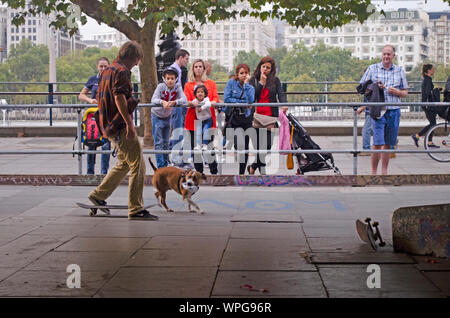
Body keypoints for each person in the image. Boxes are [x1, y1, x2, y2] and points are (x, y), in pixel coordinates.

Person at [88, 41, 158, 221]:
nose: (137, 64)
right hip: (119, 124)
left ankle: (98, 195)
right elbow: (119, 97)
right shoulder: (121, 71)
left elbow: (101, 98)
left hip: (107, 125)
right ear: (133, 57)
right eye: (137, 60)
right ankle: (136, 208)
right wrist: (129, 124)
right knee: (138, 165)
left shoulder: (106, 71)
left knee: (124, 163)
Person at [359, 45, 408, 175]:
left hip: (394, 110)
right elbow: (362, 88)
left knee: (388, 144)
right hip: (378, 111)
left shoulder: (399, 71)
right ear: (382, 55)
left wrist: (397, 92)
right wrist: (375, 86)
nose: (386, 56)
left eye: (389, 54)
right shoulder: (372, 68)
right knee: (377, 143)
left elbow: (405, 93)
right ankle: (374, 172)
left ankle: (384, 172)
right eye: (384, 54)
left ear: (393, 56)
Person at [247, 56, 287, 175]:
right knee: (259, 147)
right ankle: (262, 172)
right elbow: (253, 96)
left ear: (271, 69)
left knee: (268, 145)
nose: (265, 69)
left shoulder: (275, 80)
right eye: (263, 66)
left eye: (268, 68)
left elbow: (281, 94)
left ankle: (253, 166)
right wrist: (261, 83)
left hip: (270, 116)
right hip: (256, 116)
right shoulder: (253, 80)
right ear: (260, 67)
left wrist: (284, 104)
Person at [184, 59, 220, 174]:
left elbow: (215, 98)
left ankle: (214, 172)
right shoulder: (188, 85)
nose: (198, 68)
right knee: (196, 148)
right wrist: (191, 103)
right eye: (196, 66)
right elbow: (186, 100)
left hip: (208, 120)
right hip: (193, 121)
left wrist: (213, 102)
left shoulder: (211, 83)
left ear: (204, 69)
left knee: (208, 146)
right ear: (192, 69)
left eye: (200, 66)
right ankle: (199, 173)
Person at [78, 57, 111, 174]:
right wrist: (89, 100)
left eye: (105, 66)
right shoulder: (92, 80)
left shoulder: (112, 80)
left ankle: (104, 173)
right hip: (92, 117)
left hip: (107, 117)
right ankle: (90, 173)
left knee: (106, 146)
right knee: (91, 145)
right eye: (101, 66)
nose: (103, 68)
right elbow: (81, 95)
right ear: (97, 67)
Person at [151, 67, 187, 168]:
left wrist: (175, 102)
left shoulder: (177, 87)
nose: (170, 80)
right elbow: (153, 99)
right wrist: (162, 102)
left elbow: (184, 99)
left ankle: (166, 164)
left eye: (172, 78)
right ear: (164, 78)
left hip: (167, 116)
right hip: (156, 115)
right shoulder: (160, 87)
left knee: (166, 142)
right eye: (168, 78)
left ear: (175, 79)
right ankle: (161, 166)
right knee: (158, 142)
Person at [223, 63, 255, 174]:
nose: (244, 75)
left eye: (246, 73)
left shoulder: (250, 87)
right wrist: (242, 102)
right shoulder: (231, 83)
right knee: (239, 144)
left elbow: (251, 101)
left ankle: (241, 172)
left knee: (245, 147)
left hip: (246, 118)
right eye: (241, 73)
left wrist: (246, 85)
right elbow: (227, 99)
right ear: (237, 74)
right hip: (235, 118)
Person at [169, 49, 190, 167]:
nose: (187, 62)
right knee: (178, 131)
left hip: (178, 104)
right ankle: (175, 157)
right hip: (176, 104)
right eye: (186, 59)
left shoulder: (178, 70)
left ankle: (170, 150)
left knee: (180, 131)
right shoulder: (174, 70)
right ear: (180, 58)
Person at [411, 64, 440, 148]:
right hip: (428, 105)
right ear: (428, 70)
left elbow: (428, 92)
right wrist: (435, 91)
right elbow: (428, 93)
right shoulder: (427, 80)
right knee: (433, 124)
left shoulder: (427, 79)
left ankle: (429, 142)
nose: (433, 70)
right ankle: (417, 136)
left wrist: (435, 90)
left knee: (433, 123)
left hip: (427, 104)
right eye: (432, 69)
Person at [192, 85, 213, 150]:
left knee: (205, 131)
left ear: (205, 94)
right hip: (199, 120)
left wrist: (202, 107)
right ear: (195, 94)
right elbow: (190, 105)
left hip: (207, 119)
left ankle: (204, 144)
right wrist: (193, 104)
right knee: (198, 132)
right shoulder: (195, 100)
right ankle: (198, 145)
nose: (200, 93)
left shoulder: (206, 99)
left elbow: (209, 104)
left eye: (202, 92)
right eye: (198, 92)